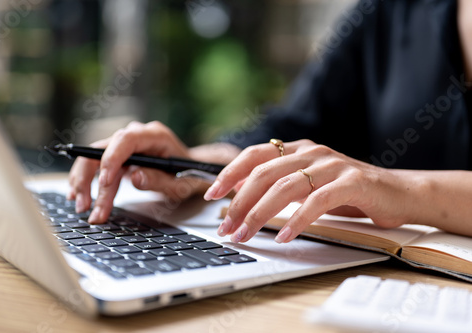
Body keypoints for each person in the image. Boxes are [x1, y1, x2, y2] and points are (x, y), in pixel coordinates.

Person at [67, 0, 472, 244]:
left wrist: (403, 189)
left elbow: (381, 182)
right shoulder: (395, 10)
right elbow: (294, 126)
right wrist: (196, 165)